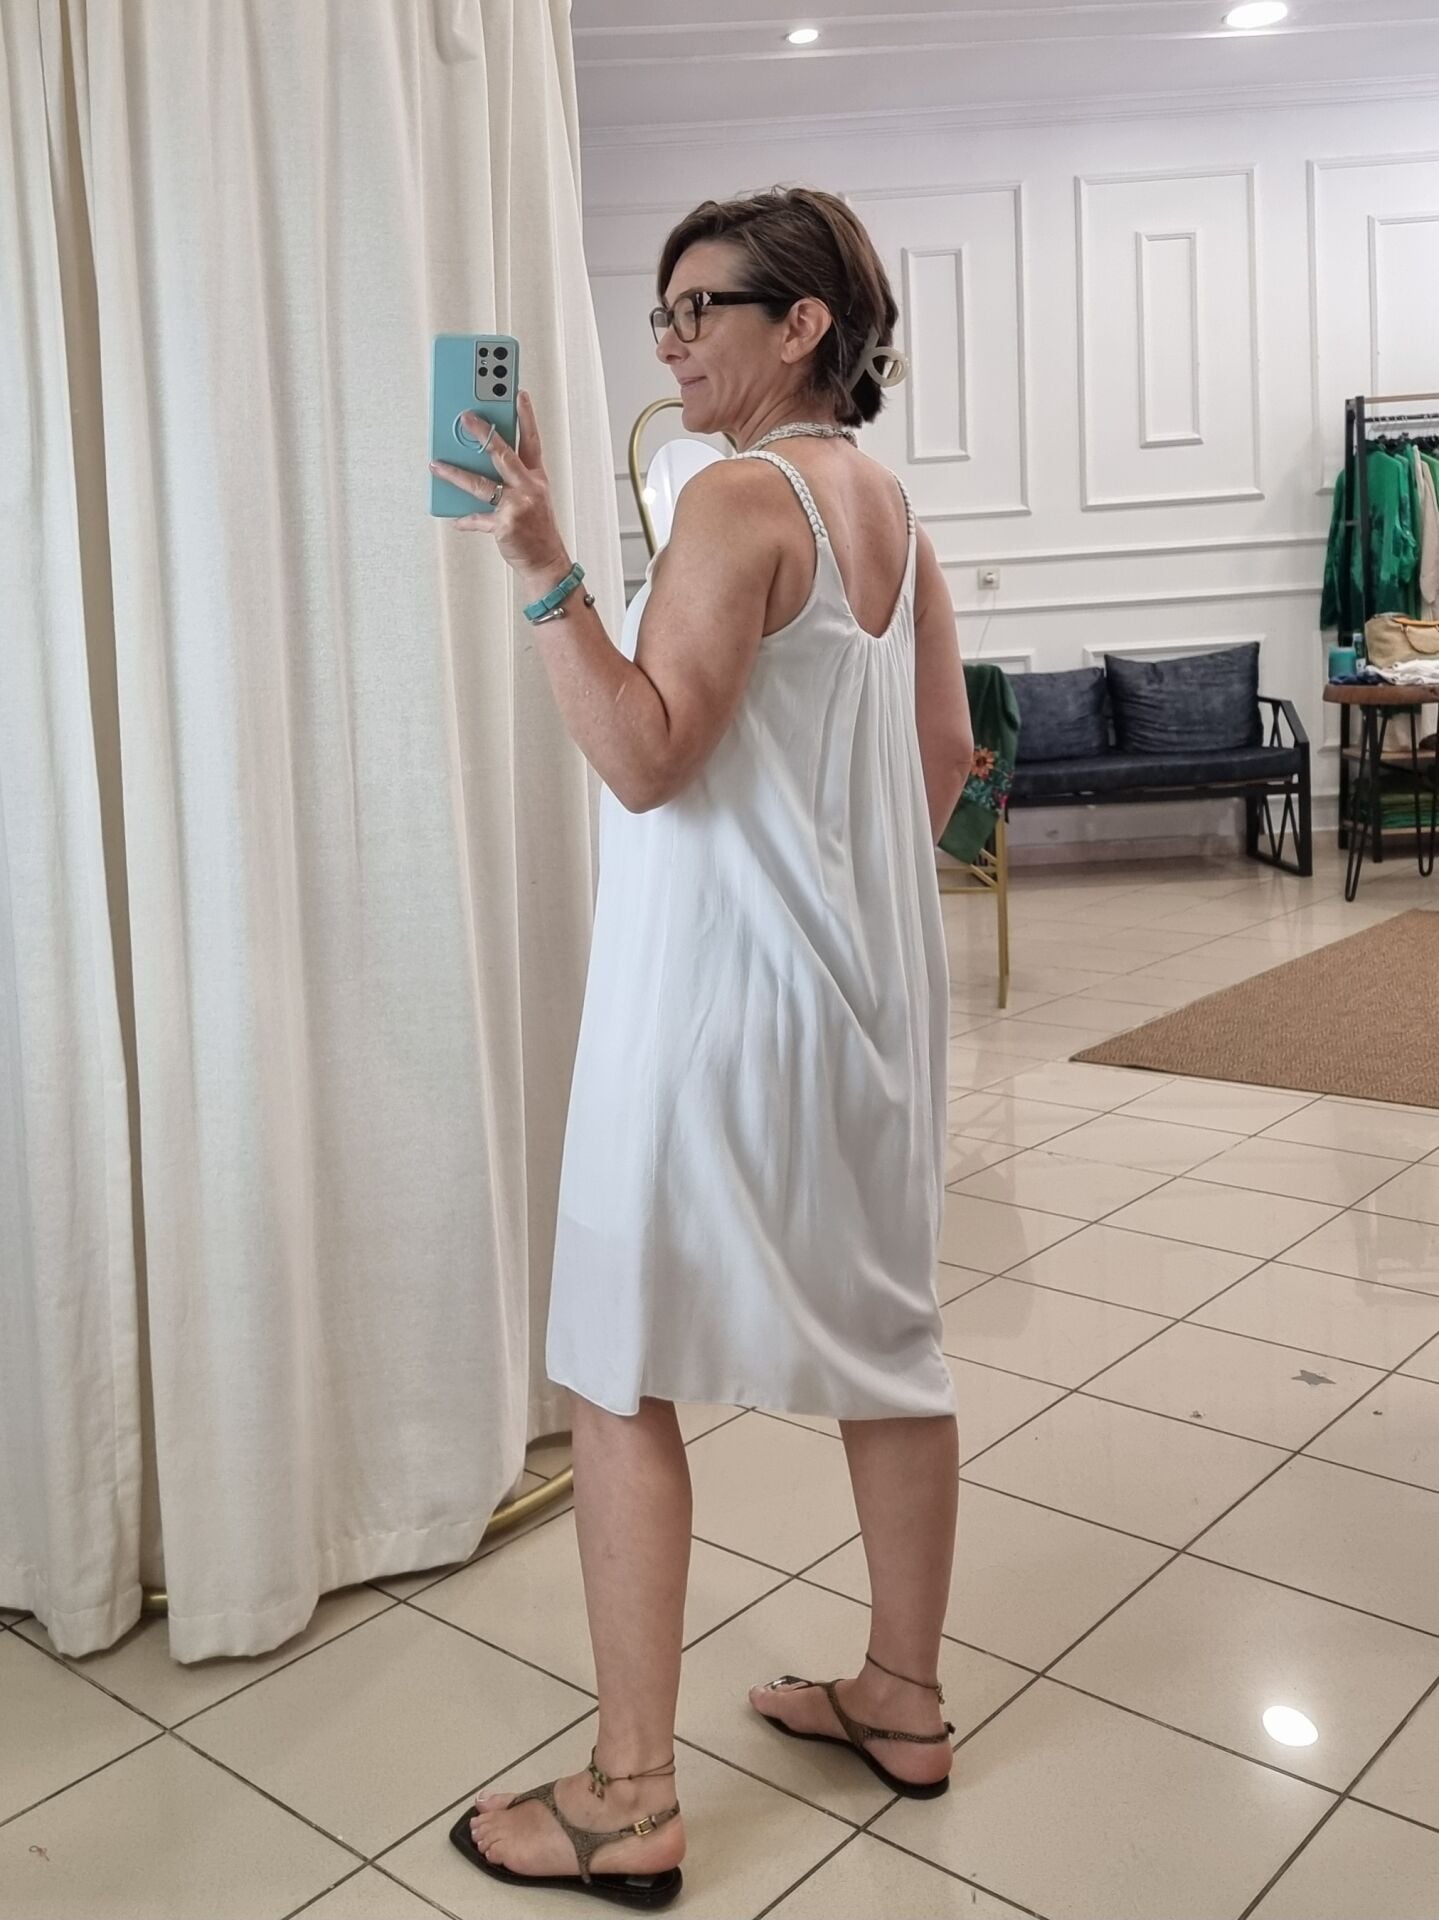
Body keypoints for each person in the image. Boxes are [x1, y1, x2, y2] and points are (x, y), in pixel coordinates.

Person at [431, 185, 974, 1909]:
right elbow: (944, 760)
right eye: (659, 314)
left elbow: (644, 754)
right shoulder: (886, 505)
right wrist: (826, 888)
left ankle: (629, 1797)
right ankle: (902, 1696)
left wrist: (542, 569)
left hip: (710, 1009)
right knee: (889, 1348)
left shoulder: (737, 498)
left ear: (800, 324)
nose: (666, 343)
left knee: (614, 1365)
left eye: (697, 310)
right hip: (866, 1005)